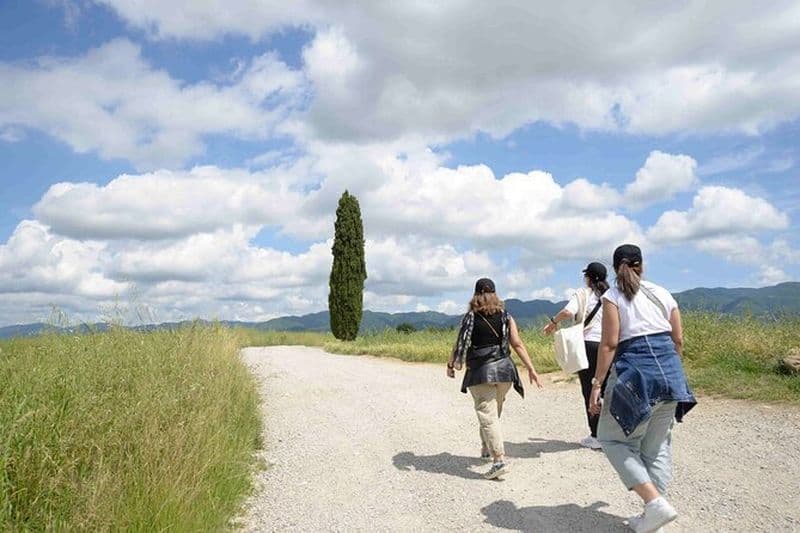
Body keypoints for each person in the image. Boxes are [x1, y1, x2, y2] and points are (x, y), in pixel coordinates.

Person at [588, 244, 696, 533]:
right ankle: (653, 518)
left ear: (615, 268)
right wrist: (670, 373)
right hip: (671, 372)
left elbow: (609, 344)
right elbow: (678, 341)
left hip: (636, 374)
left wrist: (596, 384)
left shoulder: (612, 297)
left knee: (611, 439)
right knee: (657, 446)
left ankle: (655, 504)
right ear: (642, 265)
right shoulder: (662, 293)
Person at [446, 277, 543, 480]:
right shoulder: (506, 316)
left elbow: (460, 343)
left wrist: (451, 364)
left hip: (481, 372)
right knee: (492, 413)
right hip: (505, 372)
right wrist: (531, 368)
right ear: (495, 294)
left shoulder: (470, 317)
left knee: (487, 414)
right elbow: (517, 344)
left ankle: (498, 460)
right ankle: (485, 447)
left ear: (475, 295)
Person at [543, 261, 609, 449]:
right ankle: (612, 434)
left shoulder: (582, 294)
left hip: (588, 346)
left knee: (590, 389)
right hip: (609, 345)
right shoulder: (612, 296)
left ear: (588, 277)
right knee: (606, 388)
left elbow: (567, 311)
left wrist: (553, 322)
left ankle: (596, 436)